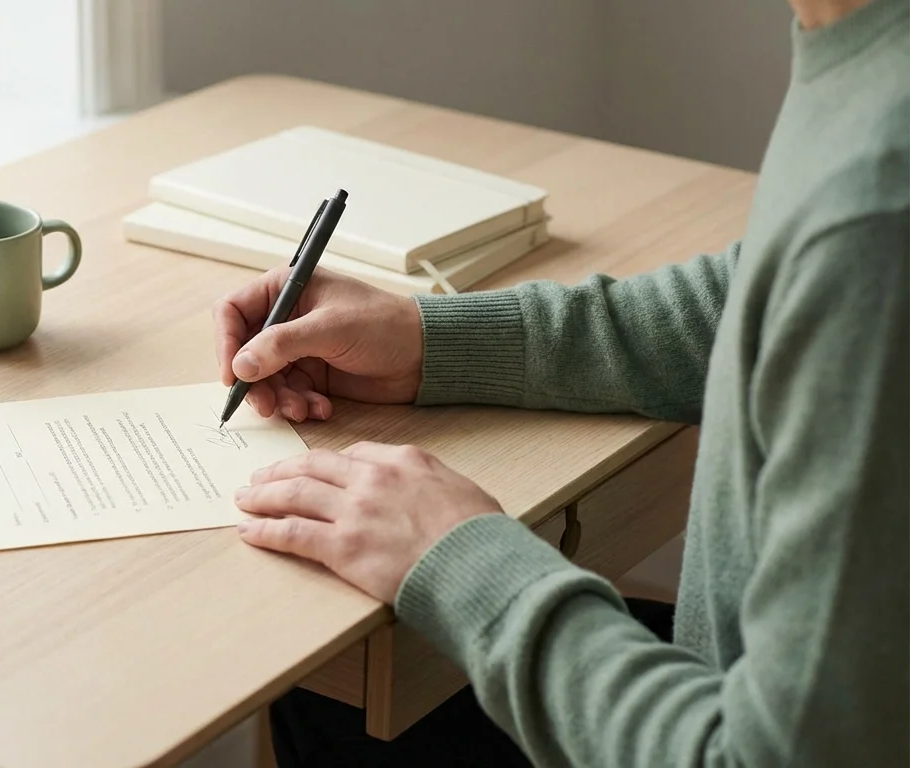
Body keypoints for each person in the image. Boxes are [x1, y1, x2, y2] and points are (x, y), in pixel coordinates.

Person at [213, 0, 909, 764]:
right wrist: (432, 342)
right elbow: (766, 295)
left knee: (335, 690)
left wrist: (462, 560)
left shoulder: (877, 204)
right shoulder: (863, 50)